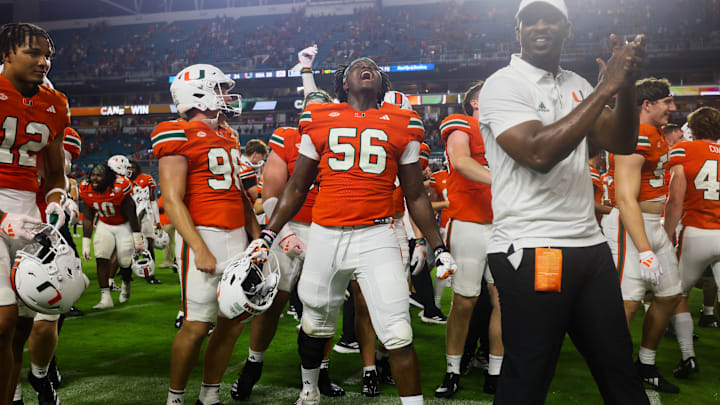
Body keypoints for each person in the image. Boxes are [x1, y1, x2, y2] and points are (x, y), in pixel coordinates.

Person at [245, 56, 456, 405]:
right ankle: (309, 390)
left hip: (377, 236)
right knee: (314, 324)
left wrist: (438, 246)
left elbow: (415, 193)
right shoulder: (319, 119)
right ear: (344, 83)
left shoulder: (404, 122)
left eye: (373, 65)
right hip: (326, 234)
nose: (366, 66)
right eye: (358, 65)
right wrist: (269, 234)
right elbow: (297, 187)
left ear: (381, 83)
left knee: (399, 331)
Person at [476, 0, 650, 403]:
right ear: (516, 31)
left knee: (619, 367)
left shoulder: (577, 83)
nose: (541, 26)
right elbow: (537, 153)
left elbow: (621, 141)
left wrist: (624, 89)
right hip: (534, 246)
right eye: (530, 20)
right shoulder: (504, 83)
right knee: (530, 372)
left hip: (589, 246)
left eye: (551, 19)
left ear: (567, 30)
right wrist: (607, 87)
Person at [154, 63, 260, 405]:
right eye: (219, 89)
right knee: (197, 325)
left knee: (233, 322)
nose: (225, 96)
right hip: (204, 233)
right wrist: (198, 247)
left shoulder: (228, 133)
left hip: (237, 238)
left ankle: (209, 395)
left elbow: (239, 194)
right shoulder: (174, 132)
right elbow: (172, 199)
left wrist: (256, 236)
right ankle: (175, 398)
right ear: (197, 94)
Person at [230, 90, 345, 401]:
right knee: (271, 301)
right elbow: (270, 193)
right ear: (302, 114)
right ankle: (252, 366)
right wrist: (283, 233)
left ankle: (319, 373)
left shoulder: (344, 137)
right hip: (290, 225)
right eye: (311, 110)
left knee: (324, 306)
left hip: (327, 227)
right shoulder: (287, 137)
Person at [0, 22, 71, 405]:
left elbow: (56, 173)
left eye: (48, 56)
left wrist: (58, 200)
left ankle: (13, 394)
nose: (43, 62)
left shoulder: (55, 102)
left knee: (24, 322)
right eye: (33, 53)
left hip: (28, 210)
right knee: (2, 321)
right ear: (7, 53)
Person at [602, 77, 683, 393]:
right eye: (667, 102)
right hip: (629, 227)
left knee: (669, 294)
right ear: (647, 105)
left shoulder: (656, 134)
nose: (672, 108)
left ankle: (645, 363)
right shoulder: (635, 135)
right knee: (626, 305)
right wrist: (645, 249)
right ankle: (613, 371)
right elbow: (625, 199)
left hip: (652, 225)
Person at [435, 81, 499, 398]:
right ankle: (452, 369)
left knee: (504, 303)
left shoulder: (510, 130)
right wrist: (508, 180)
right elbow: (461, 160)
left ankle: (496, 371)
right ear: (475, 101)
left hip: (506, 225)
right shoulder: (461, 123)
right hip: (470, 223)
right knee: (464, 301)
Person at [663, 106, 720, 378]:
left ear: (693, 127)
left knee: (677, 294)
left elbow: (675, 200)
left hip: (696, 231)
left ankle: (688, 357)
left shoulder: (683, 150)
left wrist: (665, 235)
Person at [80, 159, 143, 309]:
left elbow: (132, 214)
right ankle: (105, 298)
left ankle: (126, 284)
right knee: (101, 257)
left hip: (124, 225)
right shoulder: (86, 188)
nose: (95, 178)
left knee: (124, 261)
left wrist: (137, 238)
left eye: (99, 175)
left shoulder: (120, 188)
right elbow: (88, 216)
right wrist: (86, 243)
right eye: (93, 175)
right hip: (105, 224)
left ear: (108, 178)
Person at [127, 159, 162, 284]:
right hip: (129, 217)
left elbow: (153, 200)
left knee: (149, 245)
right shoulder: (123, 182)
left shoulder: (146, 179)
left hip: (146, 217)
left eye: (132, 168)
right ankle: (127, 273)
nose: (130, 170)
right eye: (128, 168)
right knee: (129, 247)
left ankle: (150, 274)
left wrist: (157, 220)